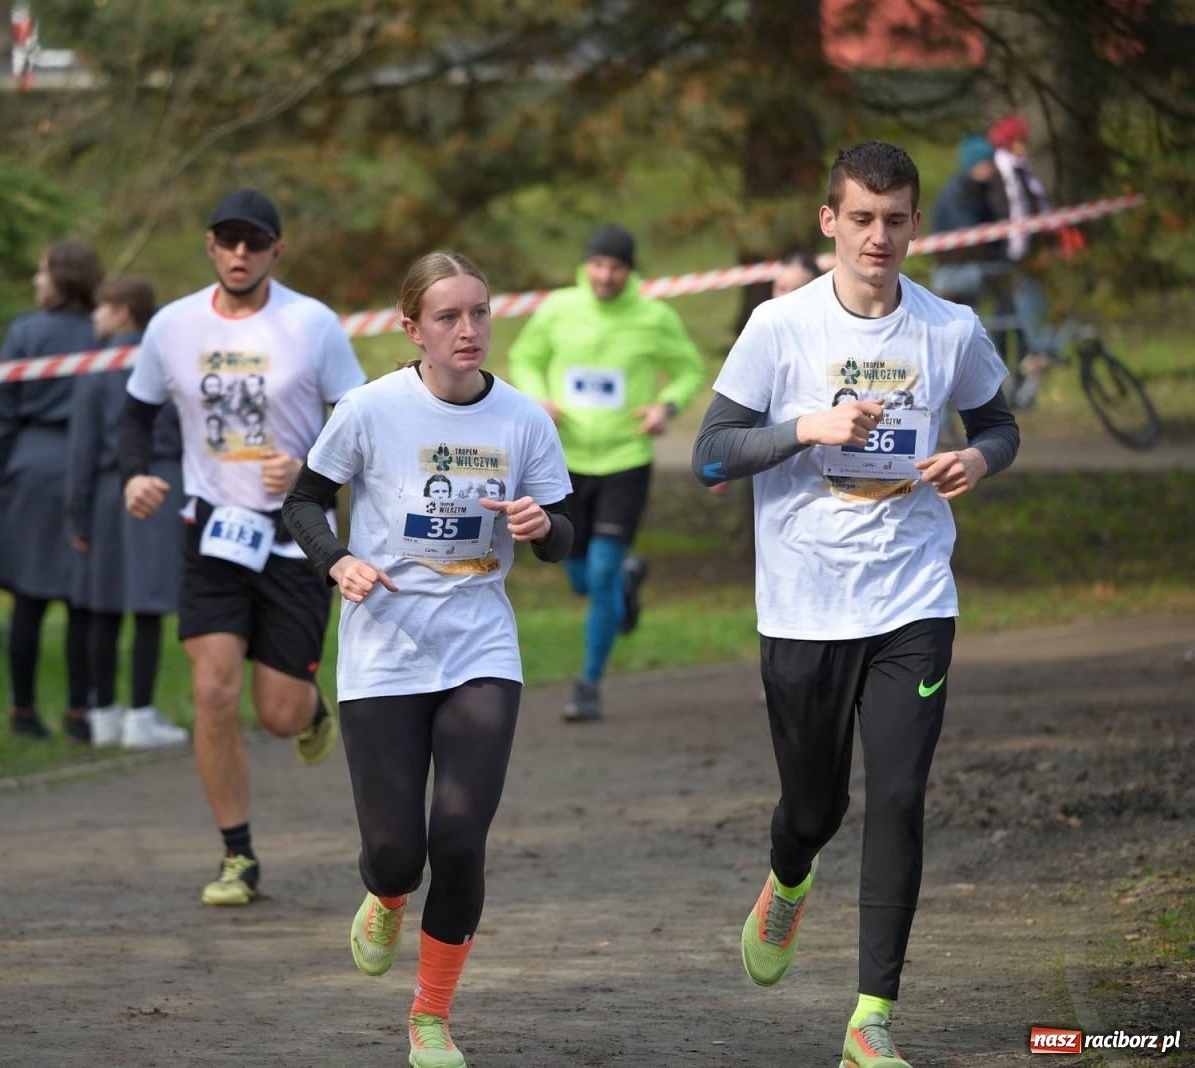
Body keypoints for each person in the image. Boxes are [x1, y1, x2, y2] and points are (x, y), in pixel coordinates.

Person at [691, 141, 1019, 1068]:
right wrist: (805, 428)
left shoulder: (949, 329)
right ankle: (789, 876)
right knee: (814, 803)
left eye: (897, 220)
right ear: (830, 222)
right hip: (801, 606)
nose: (880, 237)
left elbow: (999, 423)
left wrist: (978, 458)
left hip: (913, 598)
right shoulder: (779, 329)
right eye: (862, 219)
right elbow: (710, 456)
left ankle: (870, 1016)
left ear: (917, 224)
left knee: (902, 795)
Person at [282, 251, 573, 1068]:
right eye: (449, 317)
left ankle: (432, 1017)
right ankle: (382, 892)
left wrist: (544, 529)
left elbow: (565, 531)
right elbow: (302, 500)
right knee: (397, 852)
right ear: (411, 330)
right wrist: (337, 560)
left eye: (479, 312)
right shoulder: (372, 410)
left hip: (480, 644)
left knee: (459, 835)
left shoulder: (522, 420)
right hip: (383, 651)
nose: (470, 329)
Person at [119, 188, 366, 906]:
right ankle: (238, 856)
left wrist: (309, 467)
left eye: (253, 242)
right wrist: (137, 475)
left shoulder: (311, 324)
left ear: (276, 251)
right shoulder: (173, 325)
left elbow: (356, 419)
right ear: (209, 246)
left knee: (279, 713)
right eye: (227, 240)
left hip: (295, 533)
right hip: (213, 530)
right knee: (213, 689)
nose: (239, 253)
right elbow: (135, 413)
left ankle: (310, 710)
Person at [507, 222, 705, 722]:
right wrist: (537, 396)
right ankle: (626, 582)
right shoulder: (557, 309)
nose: (605, 275)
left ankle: (589, 682)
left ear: (629, 271)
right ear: (585, 265)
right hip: (565, 463)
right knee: (578, 575)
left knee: (599, 573)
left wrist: (667, 406)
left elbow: (688, 369)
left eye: (616, 267)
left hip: (625, 459)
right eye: (598, 264)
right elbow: (524, 357)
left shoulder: (654, 315)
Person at [0, 240, 101, 742]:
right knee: (82, 600)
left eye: (42, 272)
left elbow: (3, 406)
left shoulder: (25, 331)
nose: (36, 282)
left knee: (30, 597)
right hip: (87, 470)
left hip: (30, 463)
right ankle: (80, 715)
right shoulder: (104, 334)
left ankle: (22, 713)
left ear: (63, 277)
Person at [65, 275, 189, 750]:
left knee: (104, 606)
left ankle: (105, 715)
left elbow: (81, 447)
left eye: (100, 308)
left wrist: (76, 515)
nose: (93, 317)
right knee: (147, 607)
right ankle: (139, 714)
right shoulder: (167, 361)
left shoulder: (96, 366)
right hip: (160, 487)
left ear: (122, 311)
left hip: (103, 493)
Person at [988, 114, 1060, 407]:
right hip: (1005, 259)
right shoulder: (999, 175)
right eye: (1018, 141)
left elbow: (1038, 208)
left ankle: (1021, 388)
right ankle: (1002, 386)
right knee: (1006, 323)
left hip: (1025, 258)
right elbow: (1002, 213)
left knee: (1022, 323)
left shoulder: (1023, 171)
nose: (1023, 146)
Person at [927, 134, 1008, 309]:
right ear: (974, 164)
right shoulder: (957, 194)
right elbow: (969, 235)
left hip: (973, 268)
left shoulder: (981, 190)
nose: (993, 168)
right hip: (954, 272)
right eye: (988, 162)